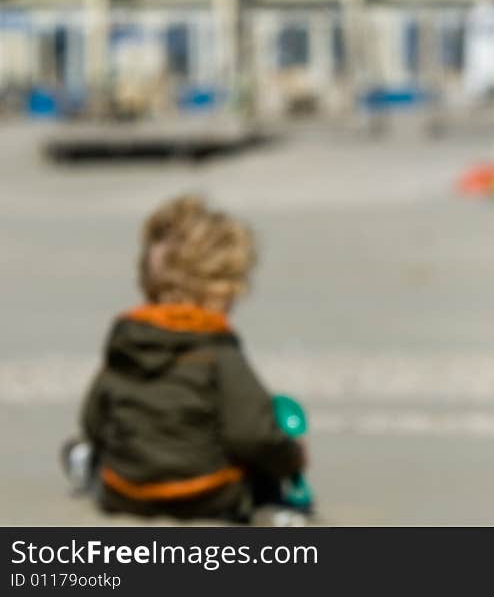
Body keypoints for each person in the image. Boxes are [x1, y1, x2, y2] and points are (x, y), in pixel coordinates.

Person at [62, 194, 310, 525]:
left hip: (126, 492)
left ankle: (83, 466)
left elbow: (94, 421)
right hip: (206, 493)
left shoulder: (126, 346)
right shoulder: (217, 352)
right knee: (269, 429)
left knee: (88, 451)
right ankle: (273, 506)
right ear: (222, 290)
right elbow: (251, 433)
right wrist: (291, 457)